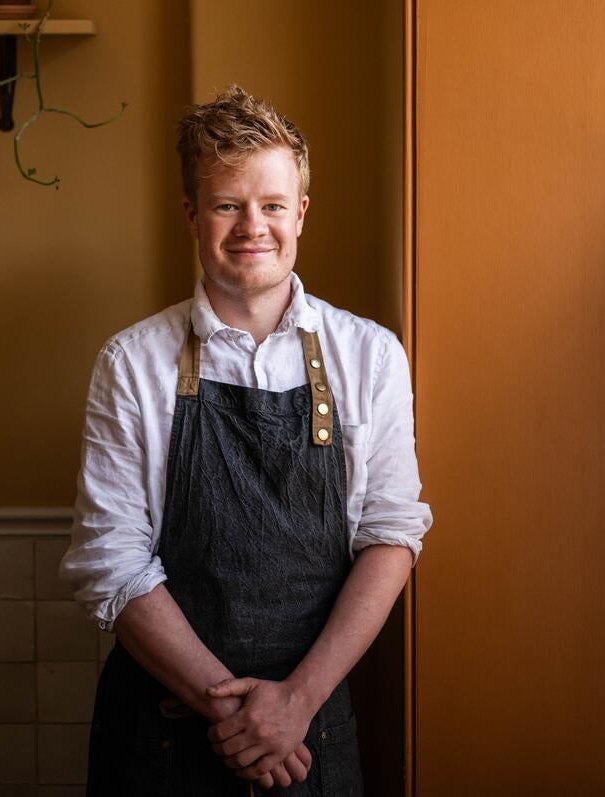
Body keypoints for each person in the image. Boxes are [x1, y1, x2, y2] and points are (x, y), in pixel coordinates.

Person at [60, 85, 432, 796]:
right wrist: (240, 717)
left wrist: (294, 705)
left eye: (272, 205)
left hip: (311, 730)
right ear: (193, 215)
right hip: (162, 737)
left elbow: (391, 534)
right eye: (228, 205)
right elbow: (111, 561)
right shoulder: (130, 363)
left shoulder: (371, 356)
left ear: (302, 212)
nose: (252, 226)